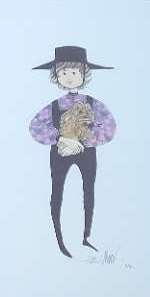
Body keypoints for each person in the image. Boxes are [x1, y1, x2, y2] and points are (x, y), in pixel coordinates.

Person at [30, 46, 116, 258]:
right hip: (60, 153)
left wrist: (84, 140)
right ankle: (59, 238)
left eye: (75, 72)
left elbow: (109, 127)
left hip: (86, 153)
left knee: (88, 190)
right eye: (63, 72)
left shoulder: (93, 103)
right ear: (56, 76)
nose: (69, 77)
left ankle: (86, 235)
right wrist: (61, 139)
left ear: (84, 74)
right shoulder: (54, 105)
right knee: (57, 191)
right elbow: (35, 127)